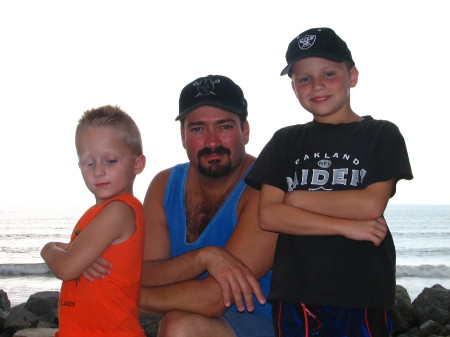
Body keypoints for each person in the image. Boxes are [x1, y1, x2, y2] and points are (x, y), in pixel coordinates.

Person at [245, 28, 413, 337]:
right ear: (294, 88)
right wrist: (346, 226)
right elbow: (269, 216)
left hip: (362, 291)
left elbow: (370, 204)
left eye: (329, 73)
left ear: (352, 75)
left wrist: (296, 199)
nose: (317, 85)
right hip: (296, 292)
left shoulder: (382, 134)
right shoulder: (285, 141)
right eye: (304, 79)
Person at [139, 75, 277, 337]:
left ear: (244, 131)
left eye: (224, 126)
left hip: (265, 325)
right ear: (183, 136)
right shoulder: (164, 185)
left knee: (179, 326)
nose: (212, 142)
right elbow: (145, 272)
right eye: (198, 129)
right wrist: (203, 258)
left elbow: (214, 298)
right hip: (193, 318)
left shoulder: (265, 187)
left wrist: (124, 295)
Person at [41, 105, 146, 337]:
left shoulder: (120, 210)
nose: (98, 171)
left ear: (137, 164)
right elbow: (73, 261)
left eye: (110, 161)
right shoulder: (95, 214)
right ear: (80, 166)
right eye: (89, 163)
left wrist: (48, 248)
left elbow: (66, 267)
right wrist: (74, 255)